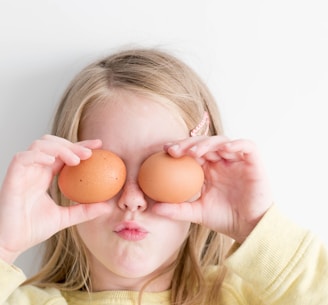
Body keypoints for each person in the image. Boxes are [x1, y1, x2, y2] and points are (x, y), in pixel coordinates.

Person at [0, 47, 327, 305]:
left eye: (161, 167)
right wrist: (3, 246)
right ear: (63, 176)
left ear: (202, 179)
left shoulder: (249, 296)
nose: (131, 199)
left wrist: (257, 226)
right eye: (107, 168)